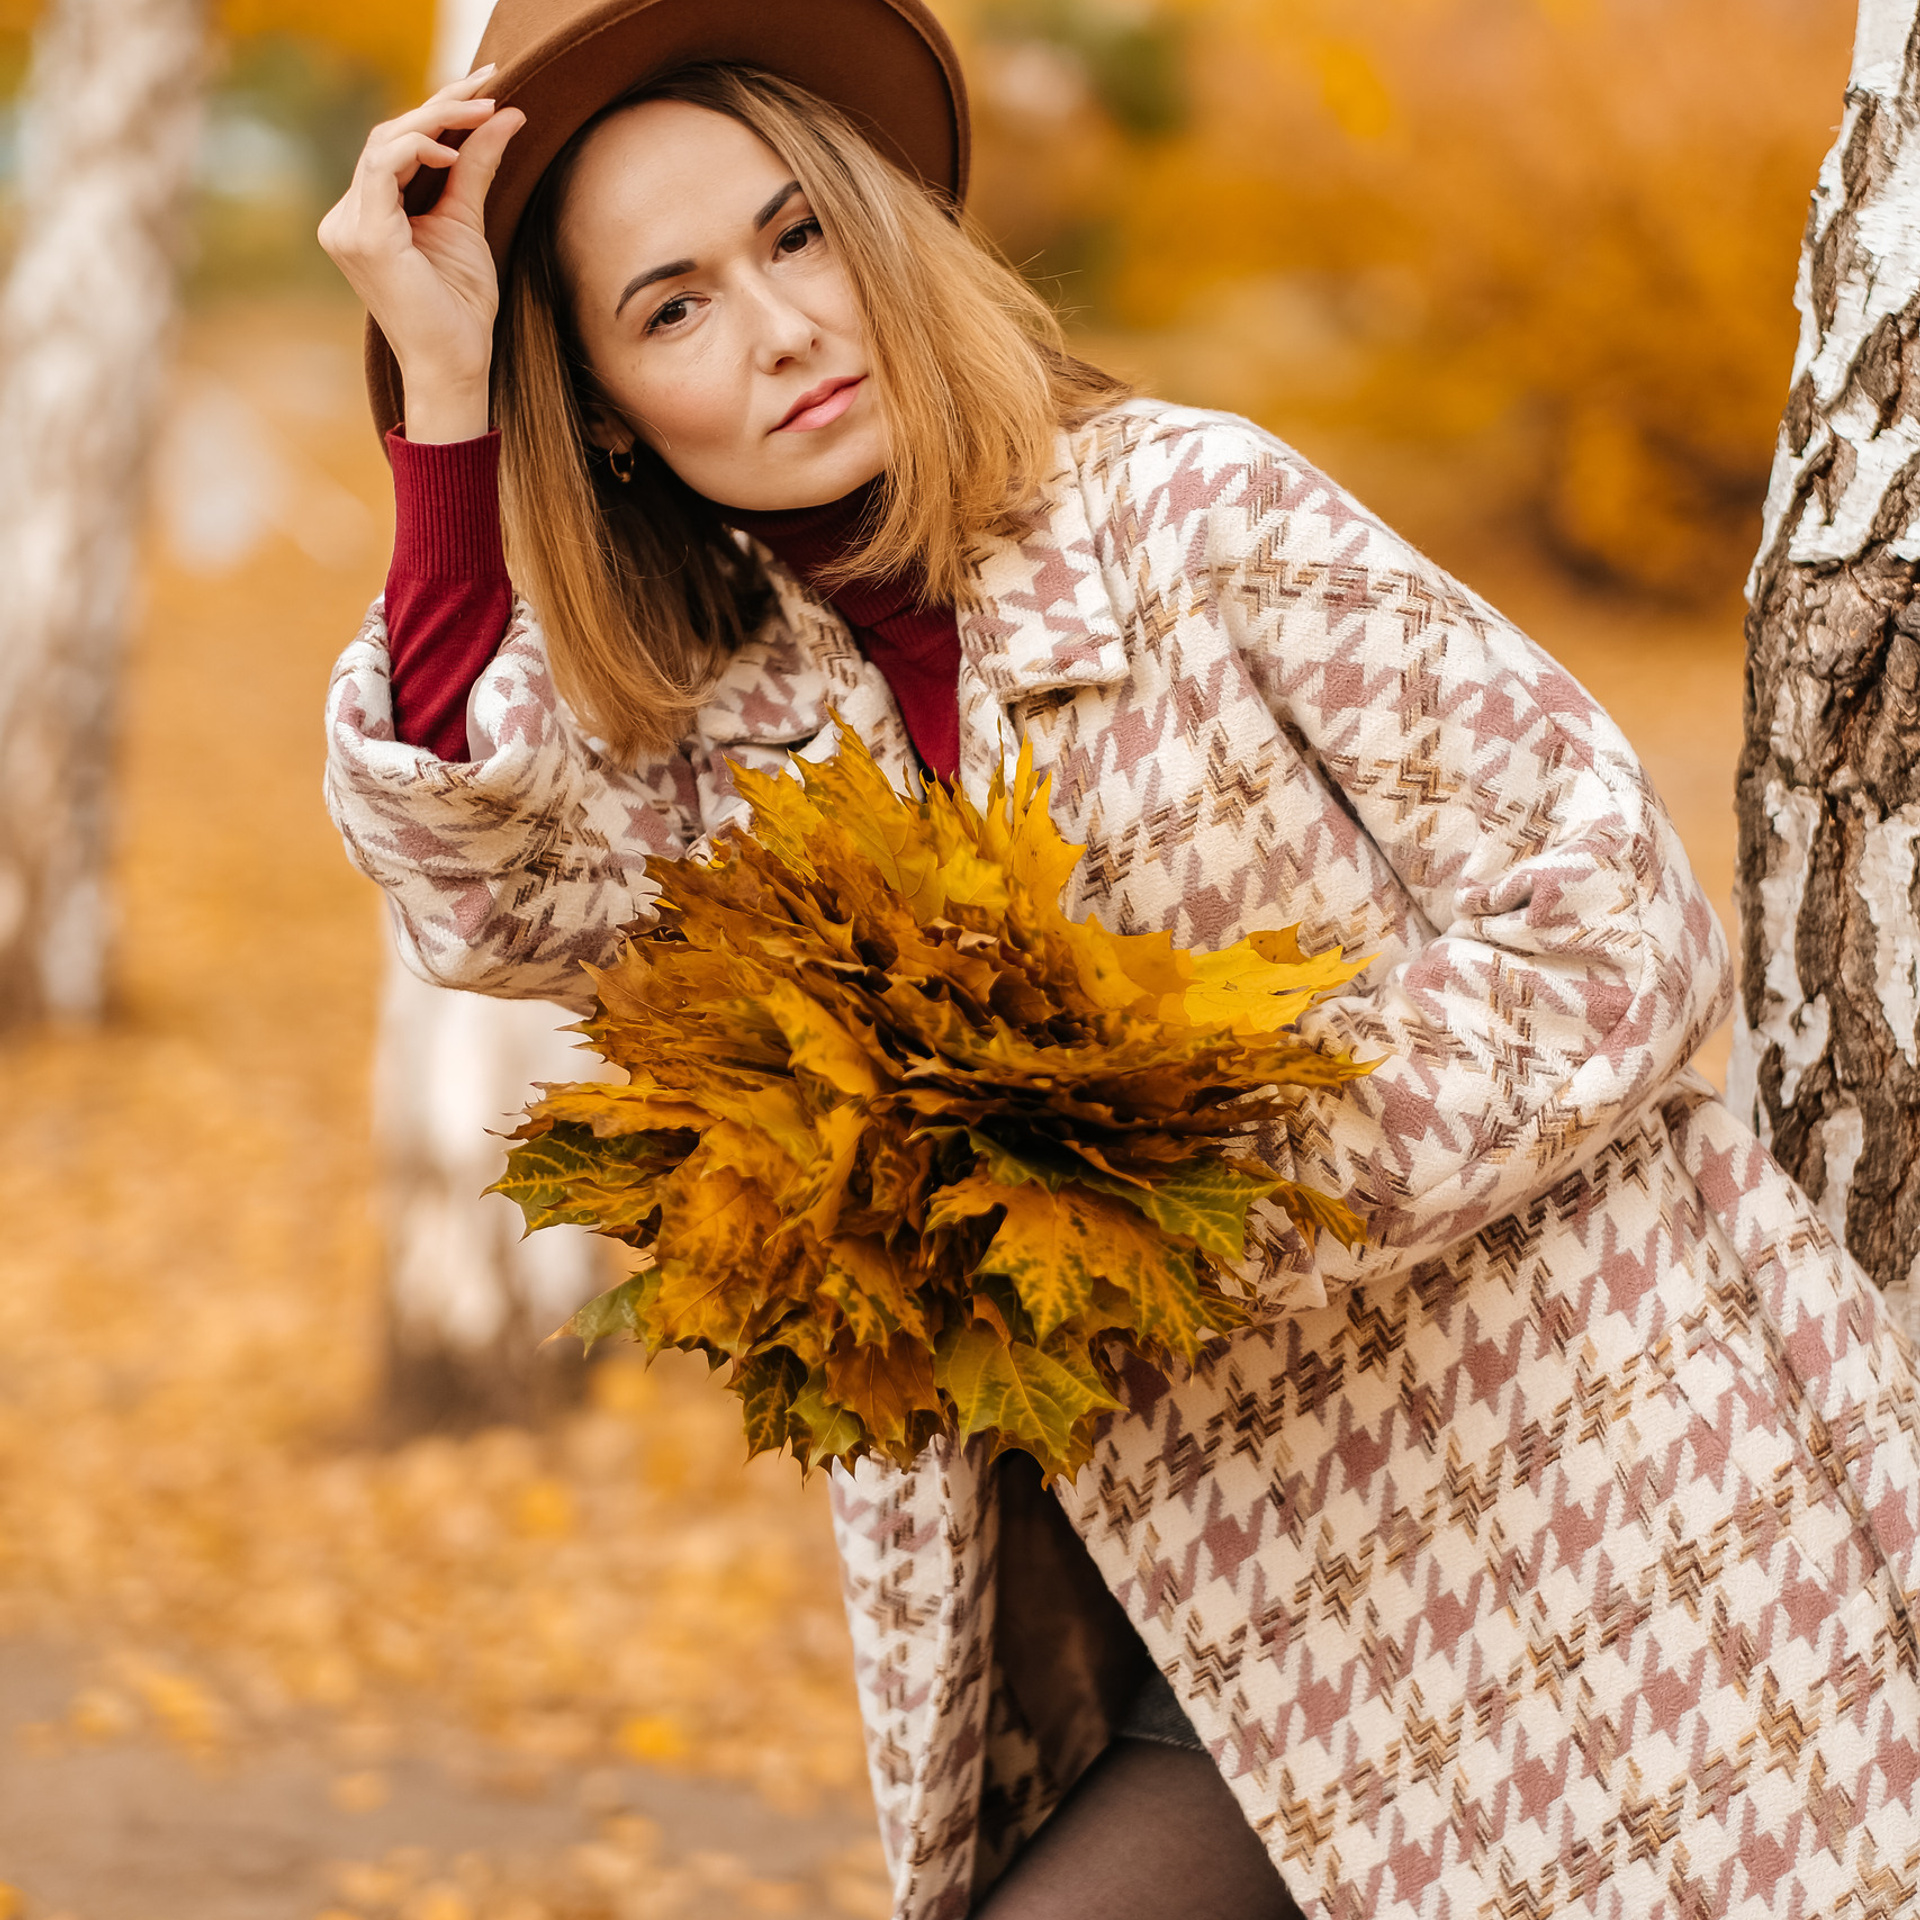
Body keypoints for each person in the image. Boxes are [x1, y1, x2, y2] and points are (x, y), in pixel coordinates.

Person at [319, 3, 1920, 1915]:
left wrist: (1157, 1200)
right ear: (594, 404)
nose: (781, 331)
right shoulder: (714, 737)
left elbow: (1614, 925)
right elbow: (490, 901)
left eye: (797, 235)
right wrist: (439, 392)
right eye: (669, 309)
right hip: (1176, 1637)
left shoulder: (1186, 517)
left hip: (1583, 1524)